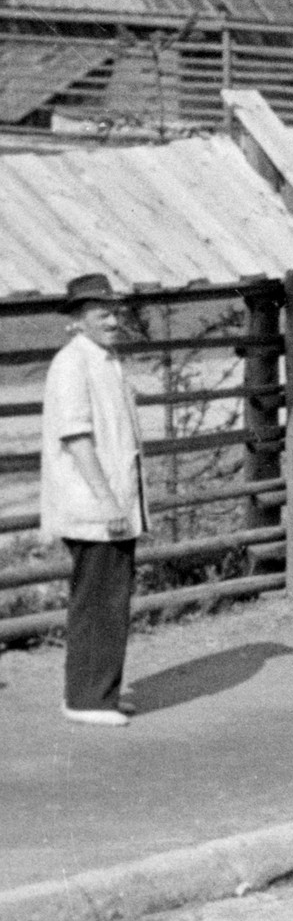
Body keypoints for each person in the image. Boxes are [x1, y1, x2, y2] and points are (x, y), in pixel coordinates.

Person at [43, 288, 149, 728]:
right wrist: (107, 501)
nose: (112, 321)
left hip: (114, 501)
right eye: (102, 314)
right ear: (77, 319)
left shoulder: (105, 361)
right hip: (94, 503)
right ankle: (85, 699)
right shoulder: (71, 364)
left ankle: (100, 693)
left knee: (111, 596)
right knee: (97, 599)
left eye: (114, 313)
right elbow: (76, 437)